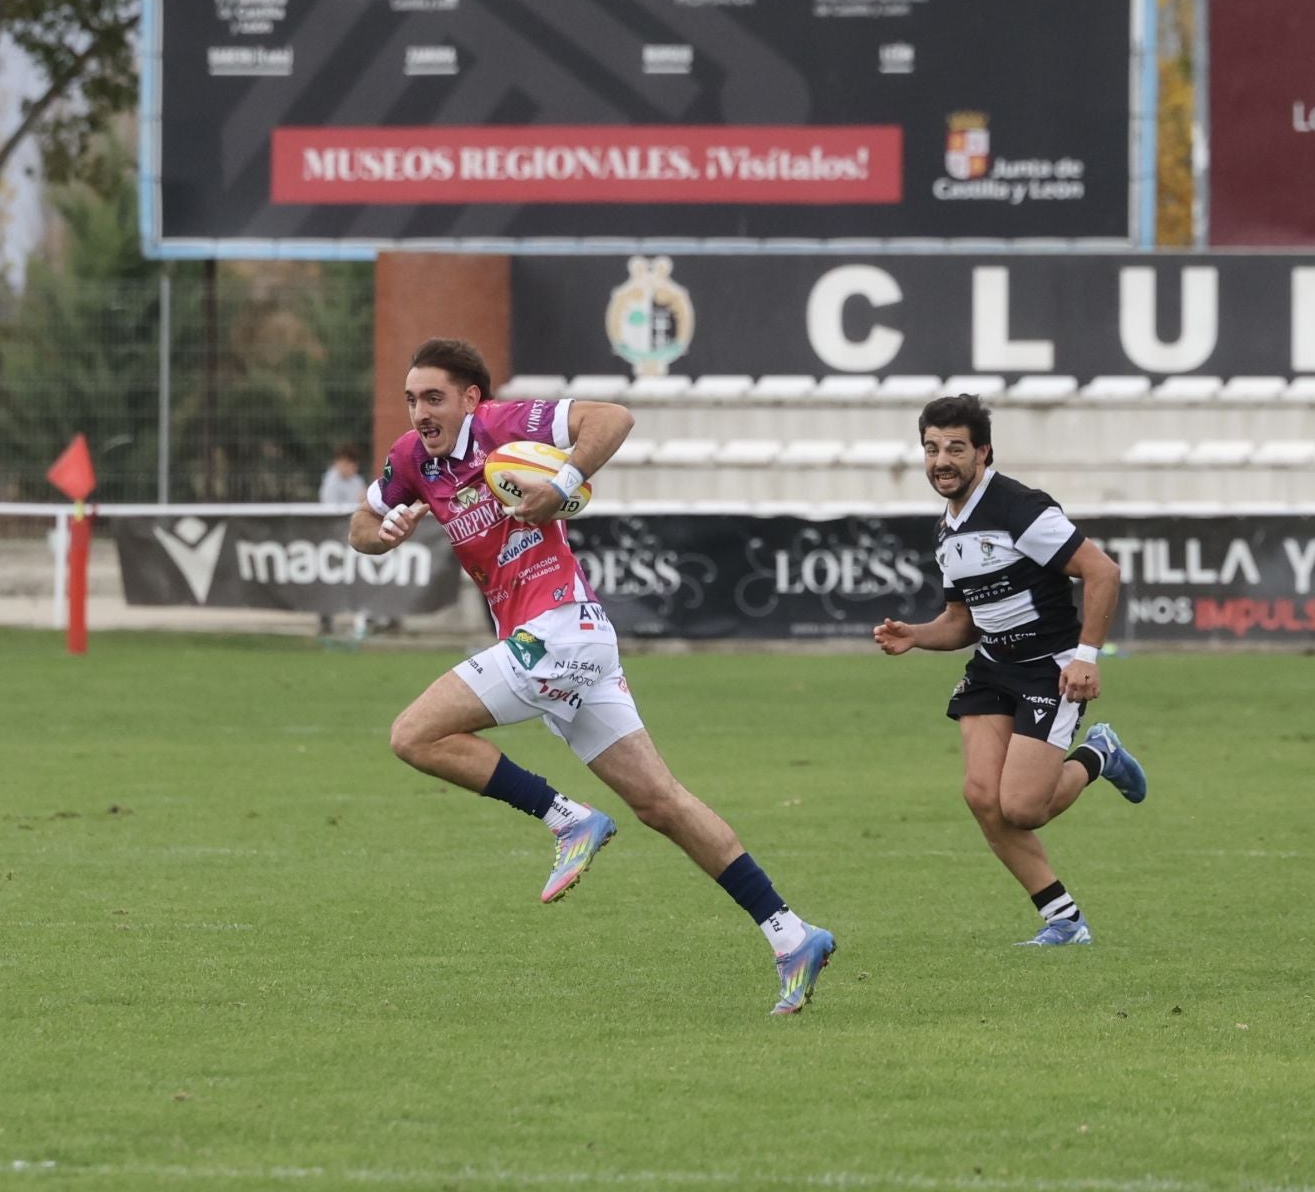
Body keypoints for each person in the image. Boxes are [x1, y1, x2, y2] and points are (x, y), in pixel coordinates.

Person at [349, 339, 836, 1014]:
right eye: (410, 399)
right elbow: (361, 523)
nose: (419, 412)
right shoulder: (411, 459)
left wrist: (563, 483)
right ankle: (791, 935)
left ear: (469, 399)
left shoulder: (504, 426)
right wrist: (384, 533)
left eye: (433, 398)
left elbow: (612, 419)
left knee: (414, 734)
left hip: (558, 630)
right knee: (661, 803)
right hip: (561, 644)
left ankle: (565, 818)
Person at [872, 394, 1147, 947]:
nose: (940, 460)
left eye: (955, 448)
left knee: (1021, 808)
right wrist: (916, 637)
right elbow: (962, 622)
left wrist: (1087, 657)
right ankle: (1064, 921)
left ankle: (1099, 754)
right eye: (930, 448)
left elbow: (1102, 572)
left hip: (1050, 670)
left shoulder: (1019, 508)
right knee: (982, 797)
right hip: (994, 666)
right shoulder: (947, 532)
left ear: (983, 451)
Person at [318, 443, 370, 635]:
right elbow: (331, 510)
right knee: (330, 578)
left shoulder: (356, 481)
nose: (349, 468)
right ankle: (326, 618)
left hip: (353, 539)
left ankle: (366, 618)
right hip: (334, 539)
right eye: (345, 463)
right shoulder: (331, 482)